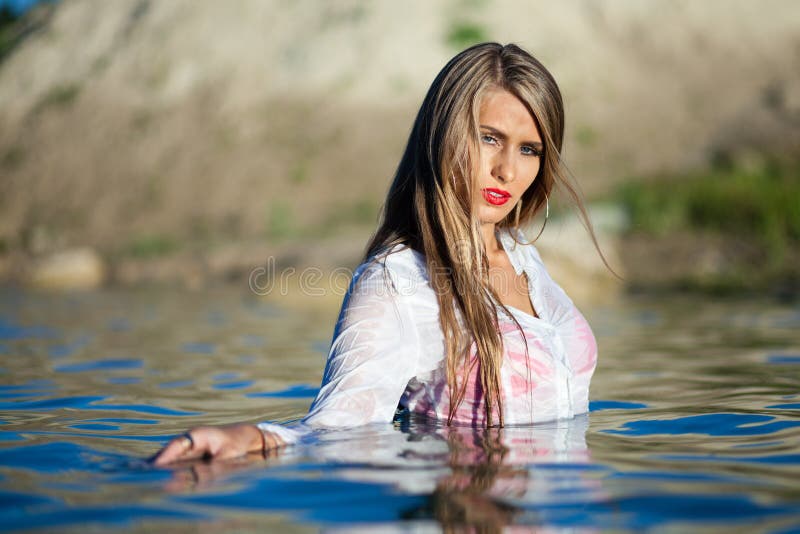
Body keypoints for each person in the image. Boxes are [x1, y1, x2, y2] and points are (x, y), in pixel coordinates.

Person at [152, 42, 601, 466]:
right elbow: (339, 425)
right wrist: (254, 439)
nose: (507, 169)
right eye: (488, 138)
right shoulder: (399, 281)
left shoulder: (526, 259)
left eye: (529, 150)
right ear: (444, 134)